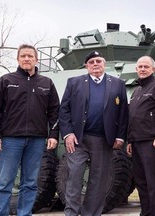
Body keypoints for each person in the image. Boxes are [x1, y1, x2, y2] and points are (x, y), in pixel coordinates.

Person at [0, 44, 60, 216]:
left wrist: (53, 135)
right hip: (11, 139)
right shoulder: (6, 81)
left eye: (30, 56)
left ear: (36, 59)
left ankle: (25, 213)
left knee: (31, 183)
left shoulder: (46, 83)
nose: (27, 59)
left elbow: (55, 111)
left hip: (37, 140)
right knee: (4, 182)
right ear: (18, 59)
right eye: (23, 56)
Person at [59, 50, 129, 216]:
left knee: (98, 180)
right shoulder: (74, 82)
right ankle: (71, 212)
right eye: (92, 62)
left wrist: (120, 136)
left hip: (104, 140)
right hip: (78, 139)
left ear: (104, 64)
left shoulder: (118, 84)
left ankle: (91, 213)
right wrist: (68, 134)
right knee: (74, 176)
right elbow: (64, 110)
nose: (95, 64)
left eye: (99, 61)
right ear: (86, 66)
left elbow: (123, 113)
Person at [127, 56, 155, 216]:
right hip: (136, 142)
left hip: (151, 142)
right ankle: (145, 212)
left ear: (153, 69)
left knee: (153, 181)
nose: (143, 69)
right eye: (140, 66)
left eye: (146, 66)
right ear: (136, 69)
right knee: (140, 181)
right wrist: (130, 140)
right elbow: (133, 118)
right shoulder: (136, 91)